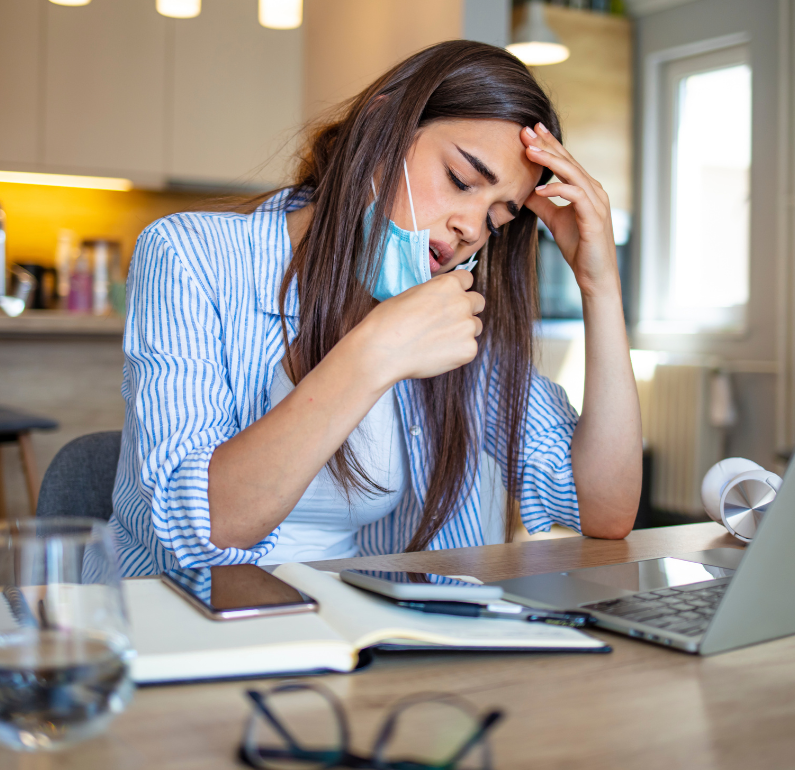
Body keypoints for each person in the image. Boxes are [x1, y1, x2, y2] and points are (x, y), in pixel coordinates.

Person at [111, 40, 642, 577]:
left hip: (353, 633)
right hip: (184, 625)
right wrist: (375, 352)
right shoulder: (189, 255)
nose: (470, 228)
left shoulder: (455, 313)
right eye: (461, 181)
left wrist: (600, 286)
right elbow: (197, 529)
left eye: (497, 219)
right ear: (382, 124)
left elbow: (604, 508)